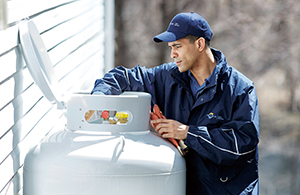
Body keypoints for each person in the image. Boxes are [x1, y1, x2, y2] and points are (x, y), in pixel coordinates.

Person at [92, 12, 259, 195]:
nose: (172, 54)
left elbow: (241, 145)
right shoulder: (168, 77)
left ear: (200, 44)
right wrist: (97, 101)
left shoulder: (240, 89)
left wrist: (187, 133)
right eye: (171, 47)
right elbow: (123, 77)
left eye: (177, 46)